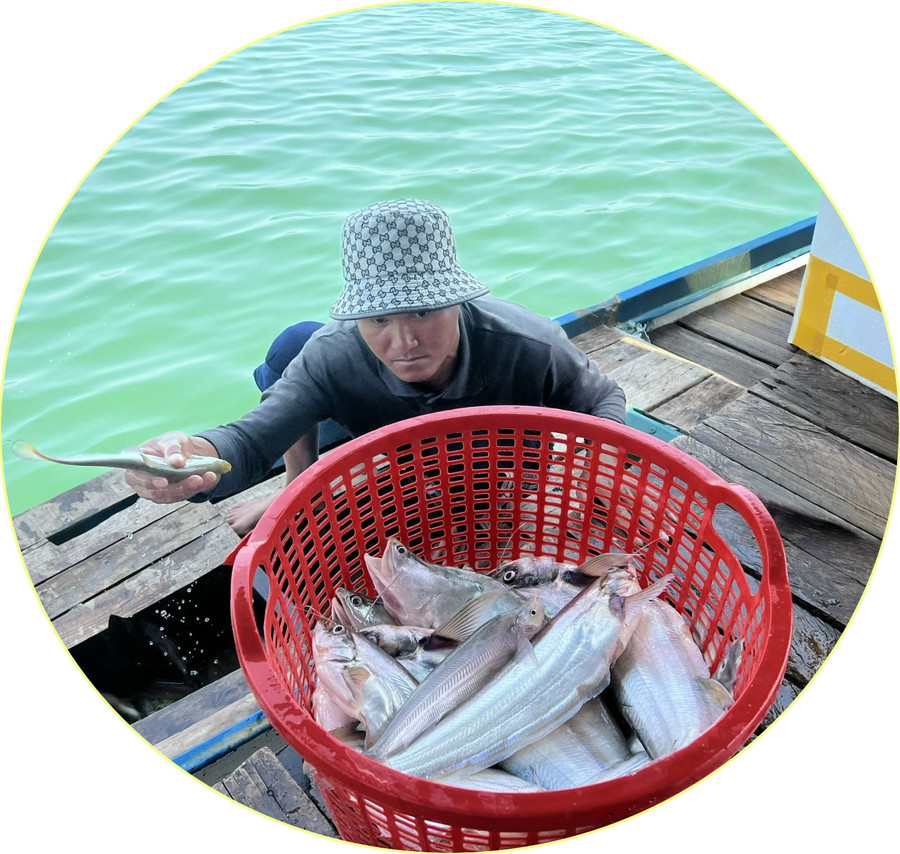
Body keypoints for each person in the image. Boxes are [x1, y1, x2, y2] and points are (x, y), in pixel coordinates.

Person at [125, 199, 626, 510]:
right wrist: (193, 456)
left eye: (423, 313)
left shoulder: (528, 345)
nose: (404, 342)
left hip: (511, 470)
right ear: (357, 317)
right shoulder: (333, 354)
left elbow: (604, 399)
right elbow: (251, 440)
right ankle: (299, 490)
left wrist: (579, 475)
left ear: (456, 302)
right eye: (380, 319)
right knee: (293, 344)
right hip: (404, 467)